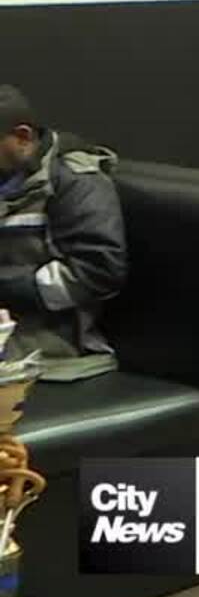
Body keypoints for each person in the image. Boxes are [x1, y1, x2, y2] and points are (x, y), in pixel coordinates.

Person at [0, 85, 126, 381]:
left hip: (47, 338)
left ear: (22, 137)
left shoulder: (76, 184)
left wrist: (10, 287)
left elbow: (97, 271)